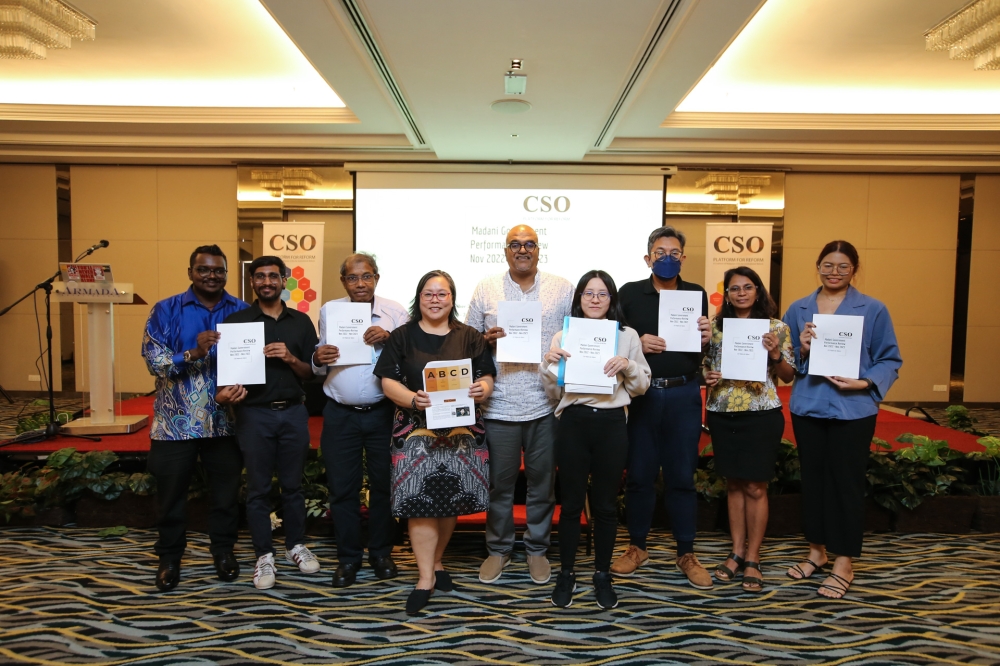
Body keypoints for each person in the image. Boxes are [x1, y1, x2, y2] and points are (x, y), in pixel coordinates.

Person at [783, 240, 901, 599]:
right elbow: (787, 369)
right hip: (809, 406)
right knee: (814, 482)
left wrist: (864, 382)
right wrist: (801, 349)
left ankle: (844, 560)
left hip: (854, 410)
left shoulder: (873, 309)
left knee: (846, 484)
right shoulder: (798, 309)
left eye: (842, 267)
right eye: (827, 265)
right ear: (817, 266)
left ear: (854, 269)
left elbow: (889, 359)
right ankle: (817, 552)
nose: (834, 272)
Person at [374, 270, 496, 615]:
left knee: (450, 496)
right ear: (419, 298)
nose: (435, 300)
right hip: (415, 433)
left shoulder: (470, 336)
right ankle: (425, 577)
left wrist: (481, 389)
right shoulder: (402, 336)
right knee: (419, 501)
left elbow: (486, 376)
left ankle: (438, 561)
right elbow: (387, 381)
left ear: (452, 299)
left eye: (442, 294)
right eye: (429, 294)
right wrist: (413, 399)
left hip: (461, 433)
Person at [466, 224, 573, 585]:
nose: (522, 250)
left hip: (546, 403)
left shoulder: (562, 288)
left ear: (539, 250)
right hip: (499, 403)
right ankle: (498, 550)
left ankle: (537, 550)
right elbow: (468, 344)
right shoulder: (486, 288)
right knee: (500, 484)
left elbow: (582, 334)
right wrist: (486, 341)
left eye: (530, 244)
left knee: (543, 483)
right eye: (515, 244)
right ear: (505, 250)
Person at [540, 271, 650, 609]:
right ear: (579, 299)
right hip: (573, 423)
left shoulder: (627, 336)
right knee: (571, 505)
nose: (595, 299)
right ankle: (567, 572)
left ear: (612, 299)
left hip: (612, 425)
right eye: (589, 293)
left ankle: (602, 573)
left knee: (604, 506)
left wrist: (628, 365)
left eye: (603, 294)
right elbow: (553, 392)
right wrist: (549, 366)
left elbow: (641, 385)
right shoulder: (565, 334)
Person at [141, 244, 248, 592]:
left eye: (218, 270)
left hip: (226, 422)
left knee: (225, 495)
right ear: (191, 272)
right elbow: (154, 362)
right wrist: (194, 352)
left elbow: (254, 364)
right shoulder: (166, 309)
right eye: (204, 269)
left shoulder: (243, 311)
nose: (211, 276)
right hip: (175, 424)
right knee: (171, 495)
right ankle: (169, 557)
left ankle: (223, 552)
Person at [612, 226, 713, 588]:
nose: (667, 258)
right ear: (647, 257)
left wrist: (706, 336)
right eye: (660, 252)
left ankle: (686, 551)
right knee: (639, 475)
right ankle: (637, 547)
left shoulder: (695, 294)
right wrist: (636, 340)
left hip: (685, 394)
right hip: (643, 395)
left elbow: (698, 350)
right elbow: (611, 341)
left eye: (674, 253)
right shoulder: (628, 294)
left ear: (683, 258)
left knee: (682, 476)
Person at [215, 256, 320, 590]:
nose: (266, 282)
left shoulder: (301, 322)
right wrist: (227, 391)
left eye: (273, 276)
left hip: (292, 412)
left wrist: (290, 358)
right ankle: (264, 554)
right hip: (254, 414)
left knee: (293, 485)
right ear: (252, 281)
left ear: (284, 280)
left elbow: (312, 374)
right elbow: (226, 376)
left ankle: (295, 546)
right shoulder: (238, 322)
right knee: (258, 488)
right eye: (259, 276)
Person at [312, 253, 408, 588]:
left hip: (384, 412)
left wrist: (390, 338)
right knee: (342, 489)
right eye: (353, 278)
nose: (360, 284)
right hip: (340, 414)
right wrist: (316, 358)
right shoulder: (329, 311)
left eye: (366, 277)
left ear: (376, 278)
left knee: (384, 487)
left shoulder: (396, 312)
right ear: (343, 281)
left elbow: (411, 360)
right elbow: (323, 358)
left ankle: (381, 553)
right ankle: (349, 558)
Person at [702, 267, 794, 593]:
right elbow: (704, 367)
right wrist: (706, 377)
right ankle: (736, 551)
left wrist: (774, 353)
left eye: (747, 287)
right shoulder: (715, 328)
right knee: (734, 484)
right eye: (734, 288)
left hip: (760, 412)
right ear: (726, 294)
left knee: (756, 486)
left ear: (758, 290)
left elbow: (787, 375)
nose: (741, 293)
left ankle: (753, 557)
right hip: (722, 413)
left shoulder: (776, 328)